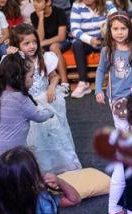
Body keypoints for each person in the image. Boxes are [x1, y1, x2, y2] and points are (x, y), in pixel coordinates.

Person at [0, 54, 54, 191]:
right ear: (18, 77)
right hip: (14, 152)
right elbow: (39, 116)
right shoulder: (21, 99)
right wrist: (50, 112)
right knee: (16, 179)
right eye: (31, 76)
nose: (33, 80)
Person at [9, 23, 80, 174]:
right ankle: (40, 170)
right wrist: (12, 57)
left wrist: (51, 87)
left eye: (34, 42)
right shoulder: (14, 62)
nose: (32, 46)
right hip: (27, 104)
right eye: (26, 43)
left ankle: (63, 166)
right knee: (35, 140)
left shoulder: (44, 58)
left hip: (46, 100)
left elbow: (54, 77)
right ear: (17, 45)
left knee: (54, 134)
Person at [95, 12, 132, 131]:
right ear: (110, 30)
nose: (119, 32)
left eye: (123, 28)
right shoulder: (107, 51)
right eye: (115, 28)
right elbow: (100, 70)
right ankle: (125, 147)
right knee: (121, 126)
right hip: (115, 97)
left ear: (129, 29)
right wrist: (98, 89)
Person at [69, 0, 117, 98]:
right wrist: (90, 40)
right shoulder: (77, 6)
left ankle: (114, 79)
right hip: (87, 42)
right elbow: (74, 30)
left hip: (104, 39)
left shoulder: (108, 4)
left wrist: (106, 29)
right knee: (77, 44)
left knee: (110, 44)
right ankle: (83, 83)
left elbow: (117, 21)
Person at [31, 0, 70, 90]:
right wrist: (41, 18)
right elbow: (40, 38)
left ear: (48, 2)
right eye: (33, 0)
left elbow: (61, 36)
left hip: (62, 42)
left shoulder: (59, 12)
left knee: (53, 47)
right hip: (46, 43)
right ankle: (44, 83)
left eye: (38, 1)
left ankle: (65, 83)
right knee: (38, 49)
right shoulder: (34, 15)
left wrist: (44, 43)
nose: (35, 4)